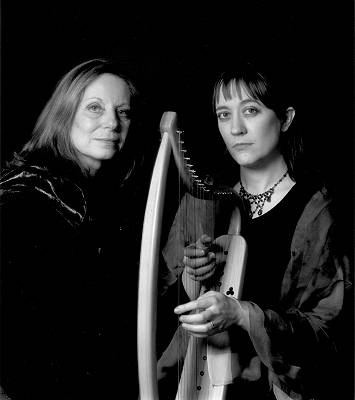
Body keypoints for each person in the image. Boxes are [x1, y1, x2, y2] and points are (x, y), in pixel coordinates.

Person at [157, 60, 352, 400]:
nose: (235, 129)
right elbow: (167, 310)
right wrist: (192, 276)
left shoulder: (319, 215)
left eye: (250, 110)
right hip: (204, 385)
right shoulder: (204, 205)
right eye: (223, 114)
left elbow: (330, 334)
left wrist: (242, 314)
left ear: (286, 118)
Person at [0, 58, 149, 399]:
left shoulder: (97, 198)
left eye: (123, 112)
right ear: (64, 114)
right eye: (95, 108)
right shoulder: (26, 197)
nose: (112, 122)